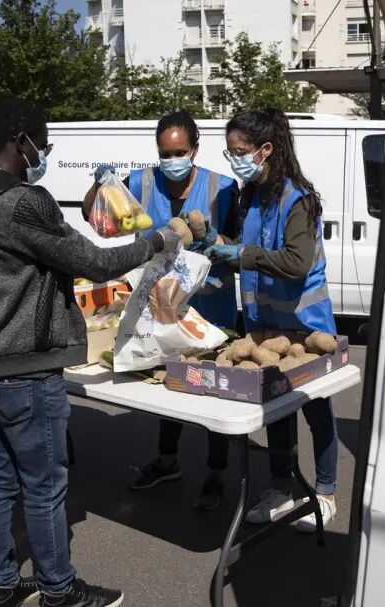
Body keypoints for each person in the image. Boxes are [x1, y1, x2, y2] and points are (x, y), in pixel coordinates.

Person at [0, 97, 179, 607]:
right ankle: (59, 591)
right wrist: (161, 239)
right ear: (21, 143)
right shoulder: (24, 203)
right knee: (44, 487)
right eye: (43, 144)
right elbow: (94, 262)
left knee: (1, 480)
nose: (44, 154)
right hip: (27, 369)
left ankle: (1, 587)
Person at [82, 110, 240, 510]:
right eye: (165, 153)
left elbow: (237, 242)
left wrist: (212, 240)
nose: (172, 160)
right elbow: (94, 214)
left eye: (180, 152)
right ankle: (168, 461)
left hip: (211, 305)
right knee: (167, 383)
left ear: (195, 149)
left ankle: (217, 473)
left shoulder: (223, 187)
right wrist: (100, 184)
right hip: (162, 304)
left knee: (214, 390)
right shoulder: (141, 182)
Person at [205, 108, 340, 533]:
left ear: (266, 149)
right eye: (230, 151)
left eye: (240, 151)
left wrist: (242, 254)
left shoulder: (299, 199)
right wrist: (218, 247)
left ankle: (325, 492)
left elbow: (297, 262)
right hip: (264, 326)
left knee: (316, 410)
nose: (235, 159)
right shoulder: (250, 196)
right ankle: (282, 488)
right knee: (277, 410)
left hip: (306, 326)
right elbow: (248, 249)